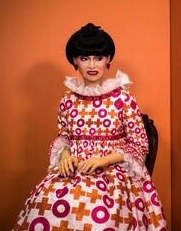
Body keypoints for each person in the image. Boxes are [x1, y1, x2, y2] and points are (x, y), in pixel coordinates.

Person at [14, 23, 166, 230]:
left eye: (98, 58)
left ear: (108, 59)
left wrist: (103, 160)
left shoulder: (123, 98)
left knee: (97, 214)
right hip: (75, 168)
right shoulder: (68, 100)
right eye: (85, 58)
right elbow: (65, 136)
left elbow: (139, 145)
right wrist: (65, 155)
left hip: (114, 172)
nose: (92, 65)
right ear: (75, 61)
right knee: (45, 200)